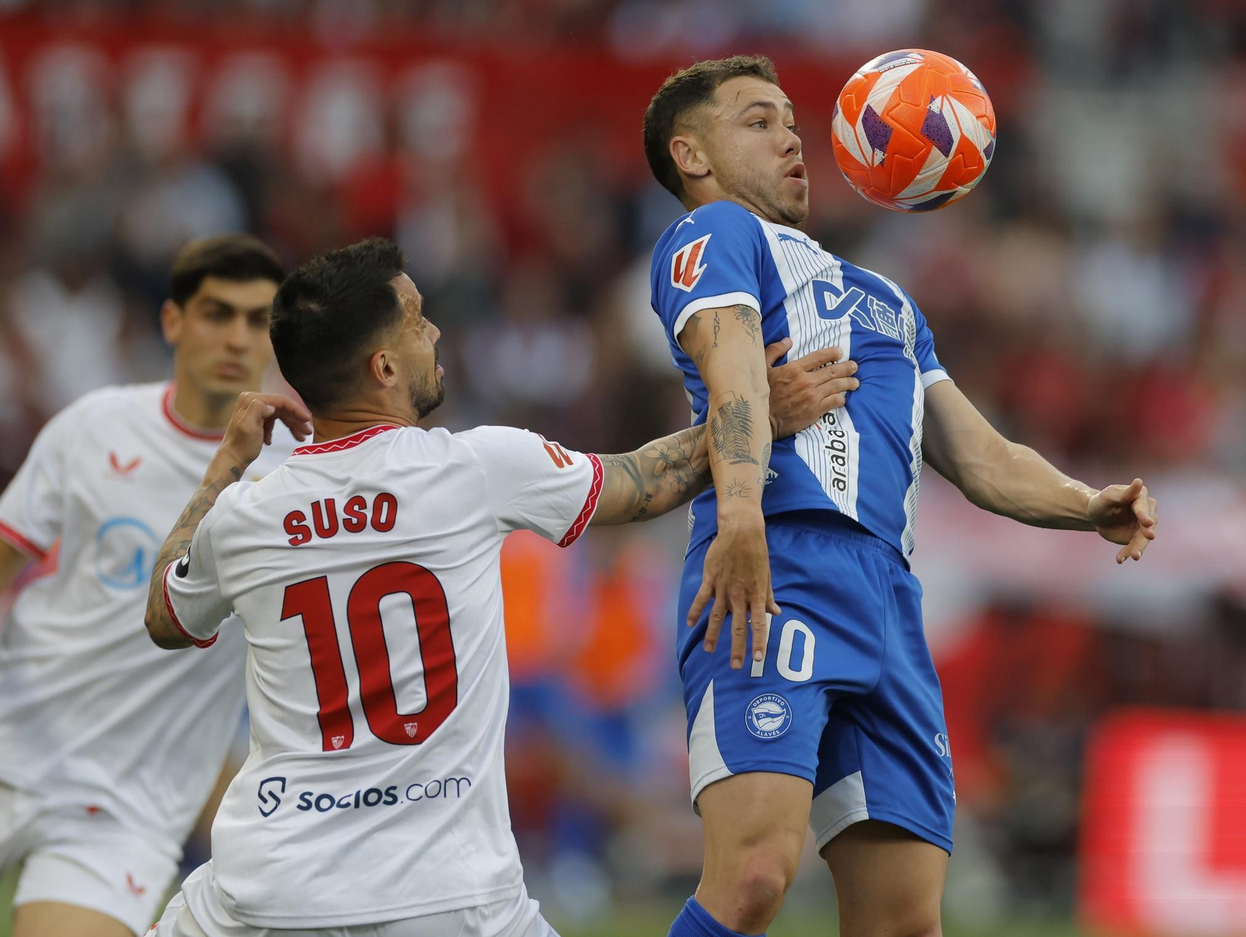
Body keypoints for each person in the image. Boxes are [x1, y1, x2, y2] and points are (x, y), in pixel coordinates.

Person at [139, 237, 858, 937]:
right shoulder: (476, 468)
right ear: (385, 365)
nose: (436, 331)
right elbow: (646, 482)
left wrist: (223, 468)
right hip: (450, 894)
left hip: (270, 890)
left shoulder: (246, 512)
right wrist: (754, 408)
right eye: (418, 318)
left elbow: (167, 615)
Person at [641, 55, 1161, 937]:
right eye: (758, 122)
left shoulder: (886, 300)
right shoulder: (717, 236)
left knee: (906, 921)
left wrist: (1084, 503)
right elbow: (731, 371)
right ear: (692, 155)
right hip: (780, 564)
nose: (792, 138)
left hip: (887, 596)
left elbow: (982, 456)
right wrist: (738, 516)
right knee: (758, 876)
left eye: (792, 122)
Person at [0, 236, 295, 937]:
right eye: (217, 313)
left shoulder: (295, 476)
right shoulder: (94, 425)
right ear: (173, 321)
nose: (237, 336)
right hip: (1, 749)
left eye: (257, 318)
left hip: (126, 804)